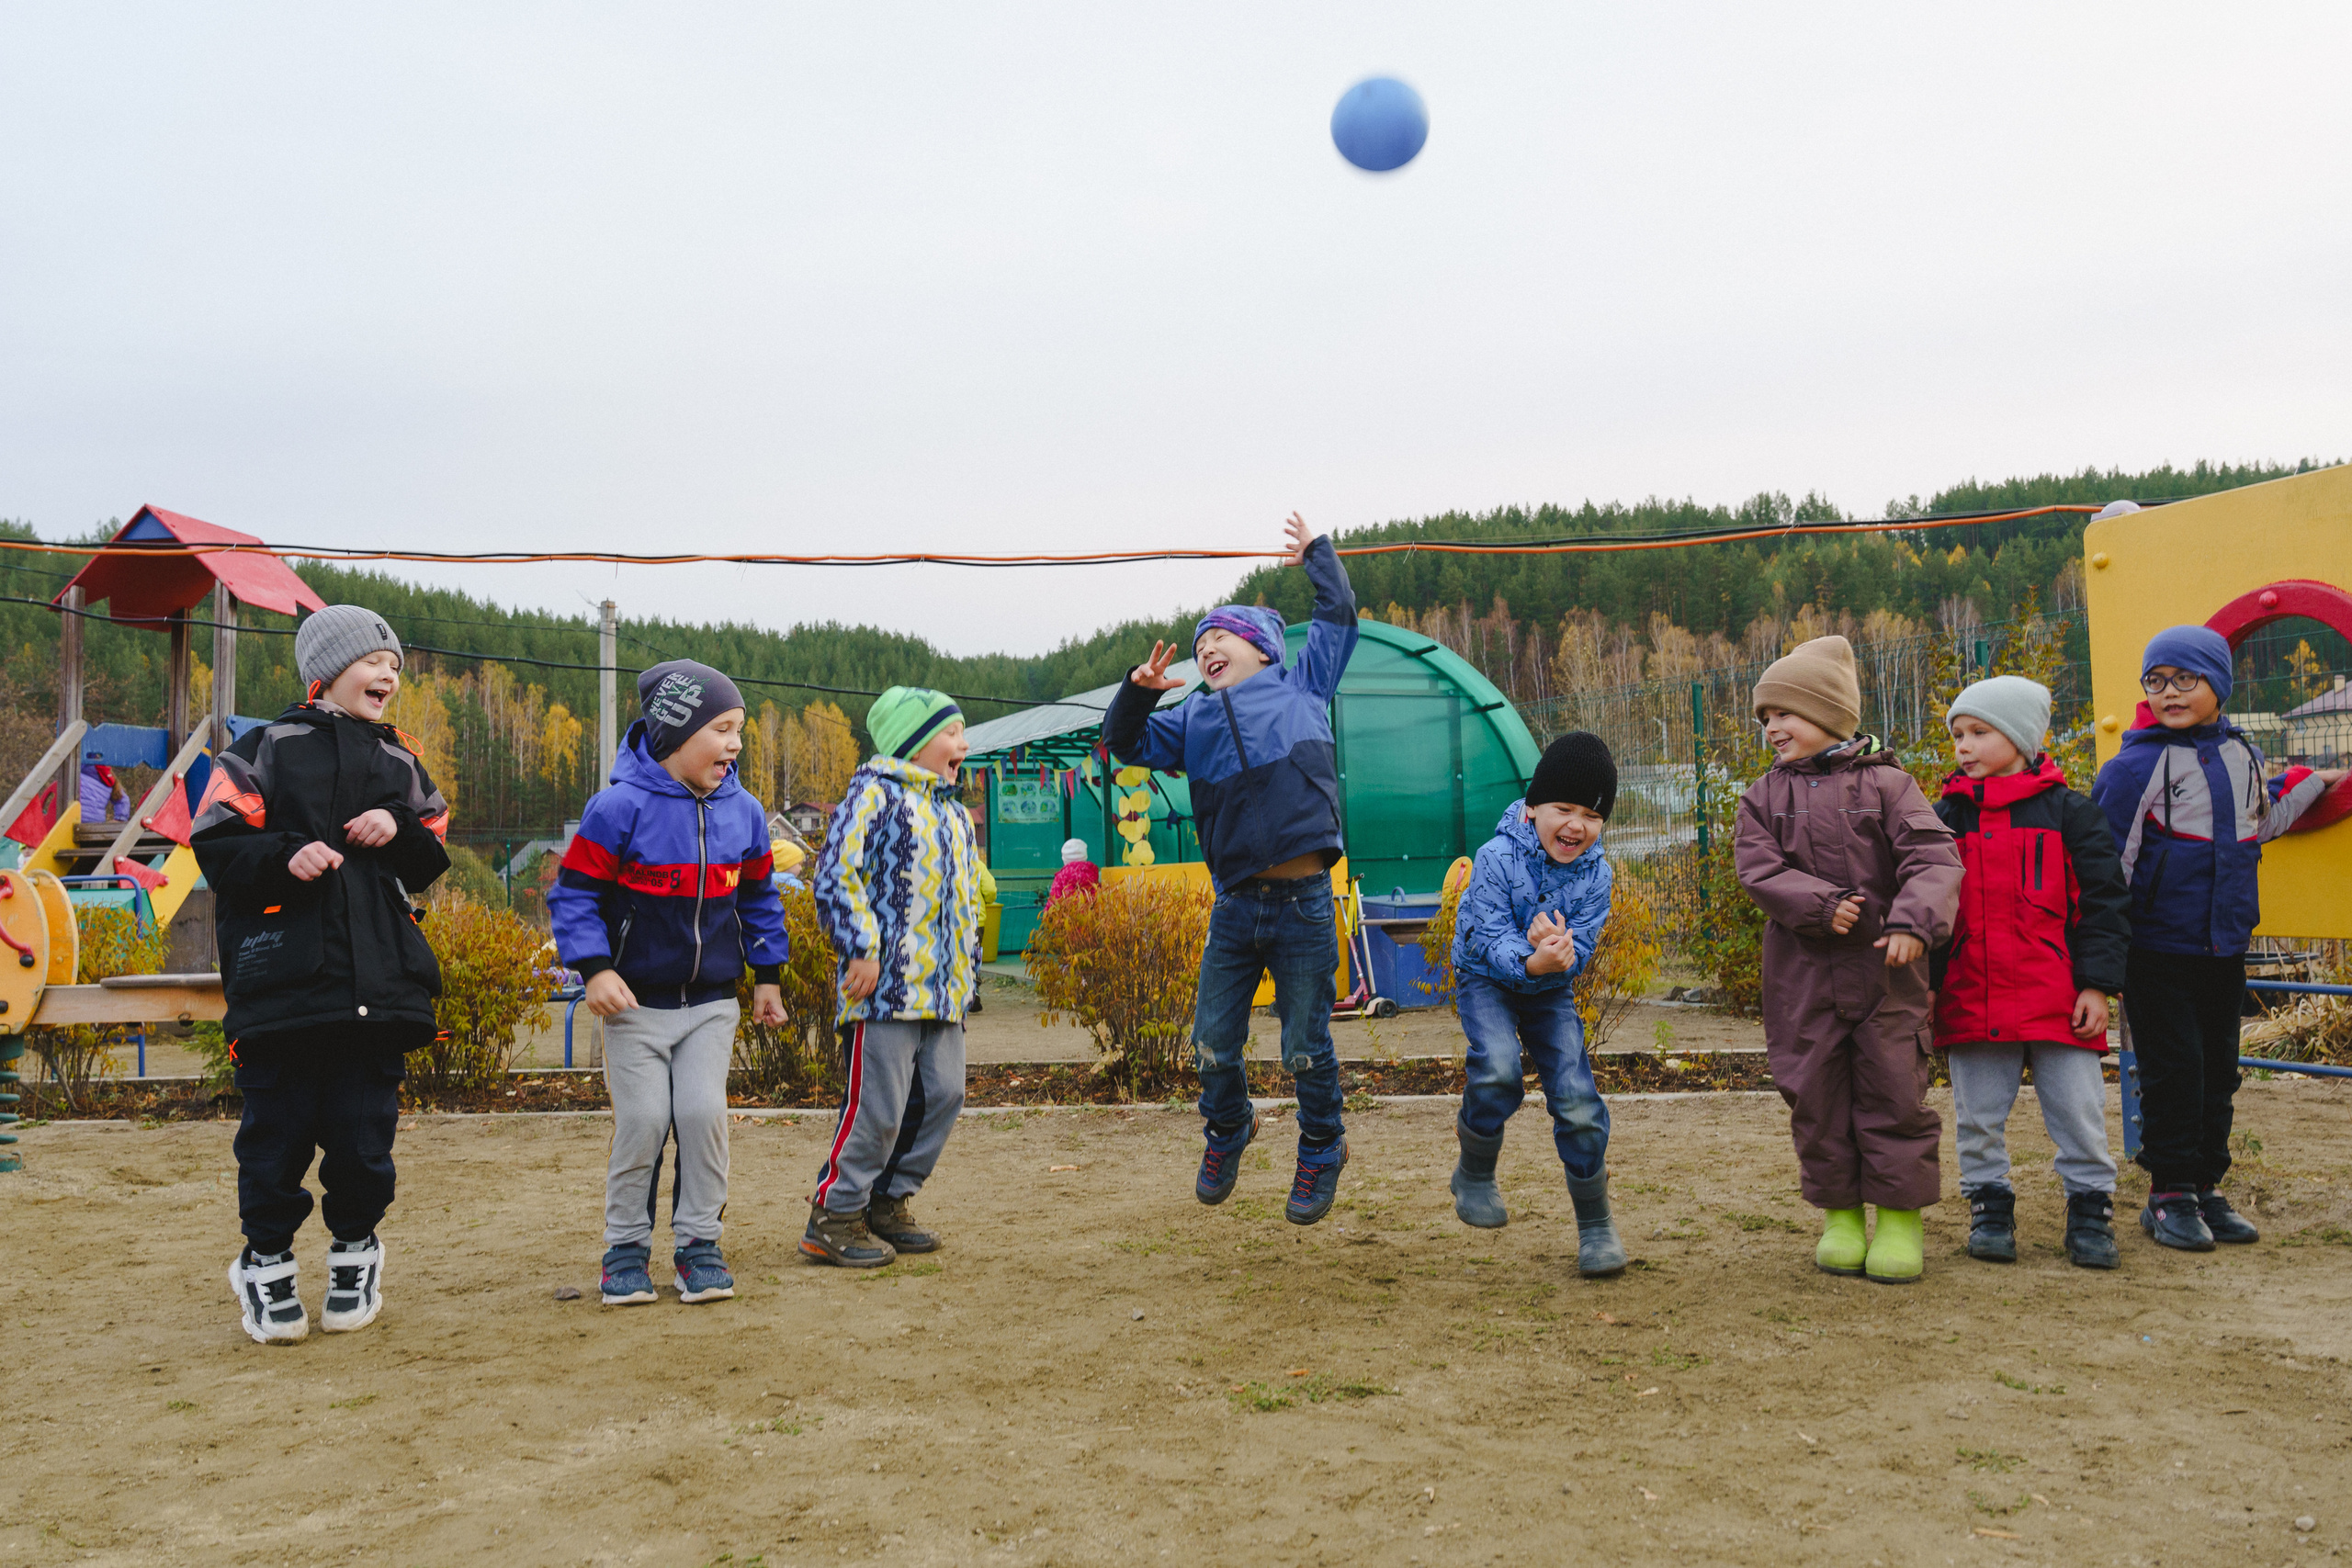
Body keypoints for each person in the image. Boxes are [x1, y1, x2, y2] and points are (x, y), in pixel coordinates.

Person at [193, 605, 451, 1345]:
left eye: (396, 668)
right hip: (283, 988)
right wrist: (285, 853)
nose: (389, 676)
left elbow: (430, 850)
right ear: (328, 669)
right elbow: (215, 838)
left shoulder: (400, 762)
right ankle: (265, 1264)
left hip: (379, 986)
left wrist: (396, 828)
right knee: (275, 1140)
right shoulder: (264, 749)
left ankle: (356, 1251)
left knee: (363, 1140)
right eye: (375, 661)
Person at [1103, 512, 1359, 1225]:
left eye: (1222, 636)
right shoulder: (1192, 721)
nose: (1207, 646)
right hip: (1238, 907)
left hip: (1306, 901)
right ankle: (1228, 1127)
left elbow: (1339, 612)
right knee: (1212, 1043)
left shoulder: (1305, 683)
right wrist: (1141, 689)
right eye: (1200, 643)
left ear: (1263, 650)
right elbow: (1121, 741)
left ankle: (1322, 1145)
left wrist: (1316, 554)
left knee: (1306, 1045)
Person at [2091, 626, 2345, 1251]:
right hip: (2157, 950)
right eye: (2157, 679)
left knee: (2218, 1073)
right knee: (2173, 1069)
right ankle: (2169, 1192)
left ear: (2219, 686)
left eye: (2187, 679)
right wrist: (2105, 953)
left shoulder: (2242, 754)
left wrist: (2315, 783)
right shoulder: (2137, 764)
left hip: (2224, 944)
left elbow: (2261, 823)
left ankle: (2206, 1185)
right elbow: (2106, 866)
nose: (2170, 691)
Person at [549, 660, 788, 1306]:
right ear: (674, 734)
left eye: (739, 728)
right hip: (635, 1004)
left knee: (704, 1113)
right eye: (722, 727)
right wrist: (595, 968)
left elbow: (761, 897)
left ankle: (699, 1245)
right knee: (647, 1119)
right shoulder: (616, 808)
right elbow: (573, 897)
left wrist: (768, 977)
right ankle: (624, 1248)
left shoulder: (745, 812)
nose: (735, 743)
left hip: (711, 1002)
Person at [1735, 634, 1962, 1284]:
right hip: (1801, 981)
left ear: (1832, 714)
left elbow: (1934, 857)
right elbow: (1757, 868)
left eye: (1785, 712)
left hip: (1886, 976)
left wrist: (1915, 922)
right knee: (1816, 1094)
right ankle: (1839, 1216)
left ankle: (1897, 1218)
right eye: (1766, 716)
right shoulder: (1763, 797)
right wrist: (1817, 901)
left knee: (1895, 1091)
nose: (1773, 726)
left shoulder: (1890, 785)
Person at [1930, 677, 2132, 1269]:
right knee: (1978, 1117)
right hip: (1973, 997)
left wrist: (2097, 985)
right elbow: (1930, 903)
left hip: (2060, 998)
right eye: (1958, 735)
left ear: (2019, 738)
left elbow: (2105, 903)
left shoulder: (2073, 815)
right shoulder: (1944, 817)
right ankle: (1990, 1208)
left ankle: (2090, 1212)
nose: (1963, 746)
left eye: (1978, 732)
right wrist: (1929, 989)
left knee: (2079, 1114)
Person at [806, 687, 983, 1268]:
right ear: (912, 741)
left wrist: (969, 971)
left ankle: (887, 1201)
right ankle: (835, 1213)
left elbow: (965, 902)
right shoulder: (873, 794)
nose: (963, 744)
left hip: (943, 991)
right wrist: (861, 946)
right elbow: (836, 873)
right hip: (883, 988)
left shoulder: (955, 813)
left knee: (944, 1095)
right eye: (951, 732)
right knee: (879, 1106)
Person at [1447, 731, 1626, 1276]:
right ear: (1531, 809)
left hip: (1549, 990)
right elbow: (1485, 932)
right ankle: (1475, 1169)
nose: (1576, 825)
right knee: (1499, 1069)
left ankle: (1595, 1224)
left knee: (1576, 1099)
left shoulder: (1597, 873)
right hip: (1487, 980)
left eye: (1591, 816)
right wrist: (1529, 960)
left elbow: (1587, 941)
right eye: (1562, 808)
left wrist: (1564, 954)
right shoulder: (1495, 858)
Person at [1046, 837, 1100, 906]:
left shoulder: (1061, 876)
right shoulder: (1093, 874)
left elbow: (1054, 901)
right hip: (1091, 915)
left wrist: (1047, 914)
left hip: (1069, 915)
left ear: (1064, 858)